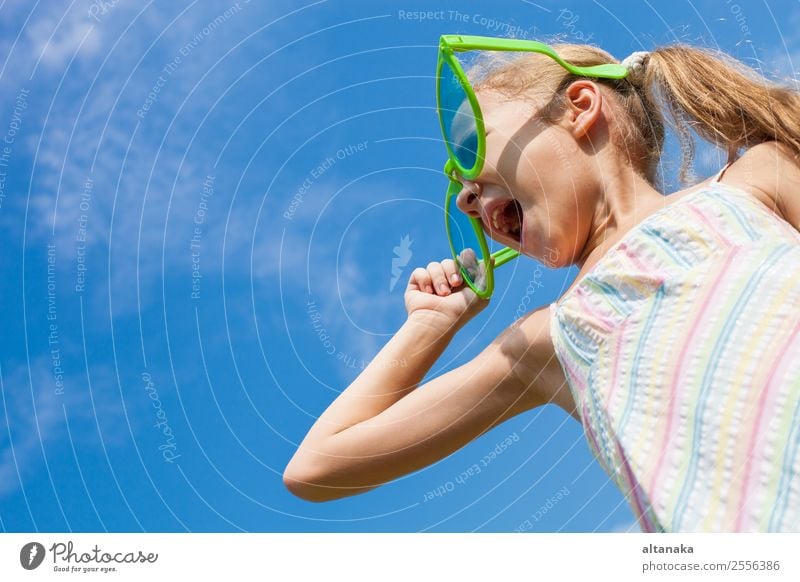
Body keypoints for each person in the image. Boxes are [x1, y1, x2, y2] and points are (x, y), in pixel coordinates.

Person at [283, 39, 800, 532]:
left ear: (579, 106)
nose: (465, 198)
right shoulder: (548, 340)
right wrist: (429, 327)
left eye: (470, 145)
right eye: (458, 189)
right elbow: (318, 465)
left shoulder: (757, 181)